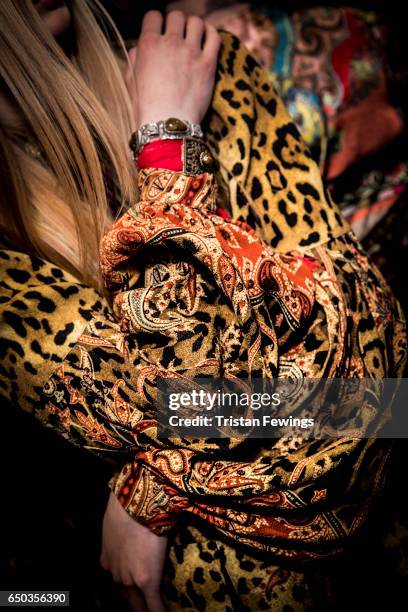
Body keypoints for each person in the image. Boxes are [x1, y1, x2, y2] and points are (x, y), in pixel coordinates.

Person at [0, 1, 406, 610]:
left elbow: (375, 385)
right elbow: (199, 394)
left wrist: (153, 482)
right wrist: (170, 150)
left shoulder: (203, 66)